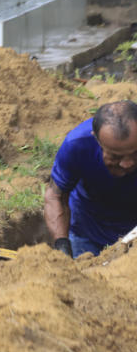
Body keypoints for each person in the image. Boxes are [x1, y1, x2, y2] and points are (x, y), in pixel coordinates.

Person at [45, 100, 137, 258]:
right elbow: (56, 196)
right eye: (116, 156)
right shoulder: (78, 145)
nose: (127, 163)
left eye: (135, 153)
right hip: (87, 232)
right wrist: (62, 246)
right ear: (96, 140)